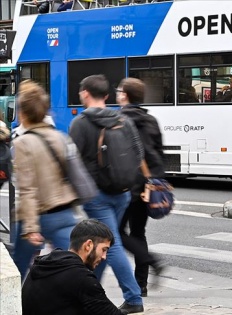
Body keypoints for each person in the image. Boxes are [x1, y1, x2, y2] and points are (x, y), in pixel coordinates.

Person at [69, 74, 144, 314]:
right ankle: (91, 290)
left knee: (110, 245)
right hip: (123, 192)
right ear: (108, 96)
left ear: (85, 94)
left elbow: (72, 162)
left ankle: (133, 298)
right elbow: (138, 153)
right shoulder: (122, 118)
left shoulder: (80, 123)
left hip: (96, 195)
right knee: (105, 240)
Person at [11, 80, 78, 279]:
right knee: (72, 267)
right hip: (64, 211)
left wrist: (31, 228)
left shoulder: (23, 143)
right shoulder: (59, 136)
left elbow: (27, 189)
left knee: (19, 270)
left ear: (23, 113)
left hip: (38, 216)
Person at [116, 78, 165, 297]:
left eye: (119, 91)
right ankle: (141, 284)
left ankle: (150, 260)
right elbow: (159, 153)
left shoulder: (120, 120)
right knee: (138, 232)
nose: (117, 94)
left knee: (116, 232)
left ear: (125, 95)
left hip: (128, 186)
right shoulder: (151, 120)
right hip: (149, 186)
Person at [22, 219, 123, 315]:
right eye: (104, 250)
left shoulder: (44, 263)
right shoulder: (81, 278)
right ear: (88, 245)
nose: (104, 257)